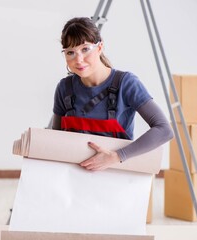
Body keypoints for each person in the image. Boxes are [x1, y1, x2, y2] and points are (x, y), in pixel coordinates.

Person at [52, 17, 174, 171]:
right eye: (70, 52)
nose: (79, 60)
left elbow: (164, 130)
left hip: (116, 177)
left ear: (100, 47)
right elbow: (54, 139)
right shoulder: (64, 88)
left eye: (85, 49)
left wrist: (117, 156)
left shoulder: (126, 84)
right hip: (73, 180)